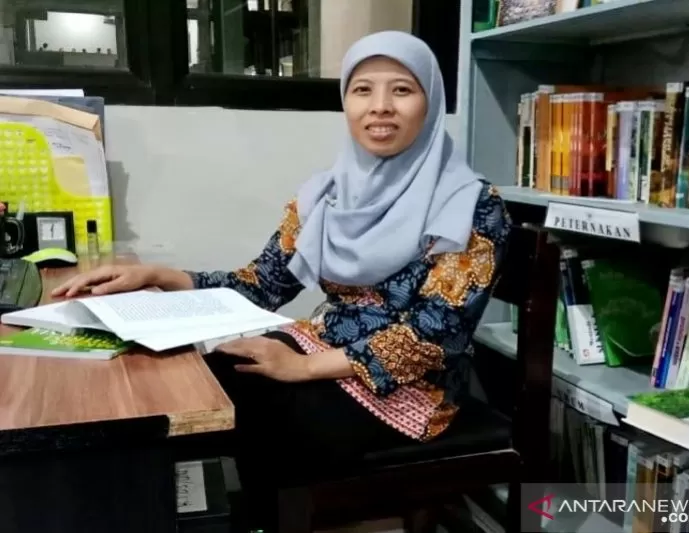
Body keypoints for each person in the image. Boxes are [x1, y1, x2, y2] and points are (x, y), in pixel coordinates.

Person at [53, 30, 511, 522]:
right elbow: (262, 284)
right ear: (347, 103)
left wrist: (302, 368)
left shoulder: (471, 204)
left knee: (256, 413)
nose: (380, 106)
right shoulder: (327, 197)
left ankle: (262, 517)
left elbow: (435, 336)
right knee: (201, 380)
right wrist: (156, 275)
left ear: (430, 102)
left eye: (402, 90)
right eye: (363, 90)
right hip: (323, 345)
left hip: (412, 387)